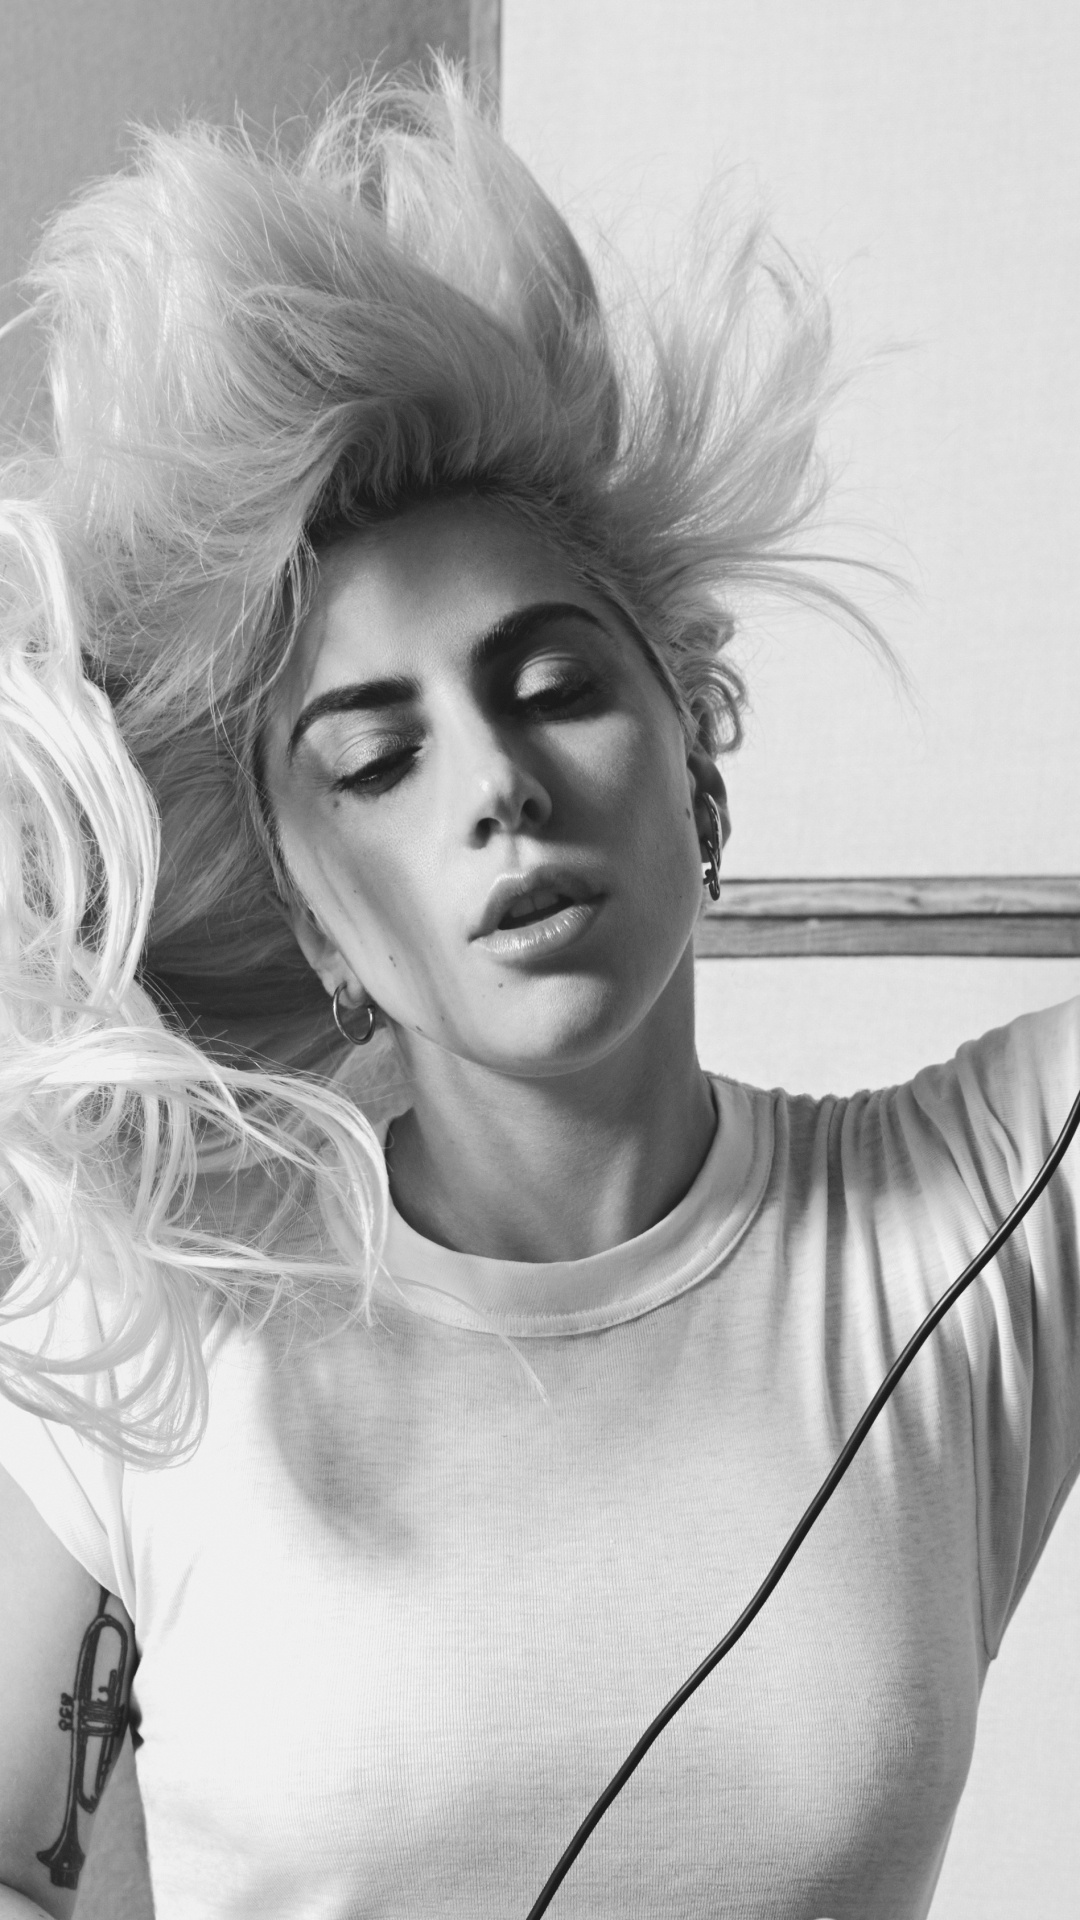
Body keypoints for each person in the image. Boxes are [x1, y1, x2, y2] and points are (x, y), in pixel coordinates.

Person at [0, 61, 1077, 1920]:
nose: (496, 783)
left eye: (557, 685)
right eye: (375, 758)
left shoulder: (978, 1221)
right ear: (312, 915)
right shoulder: (157, 1308)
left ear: (697, 748)